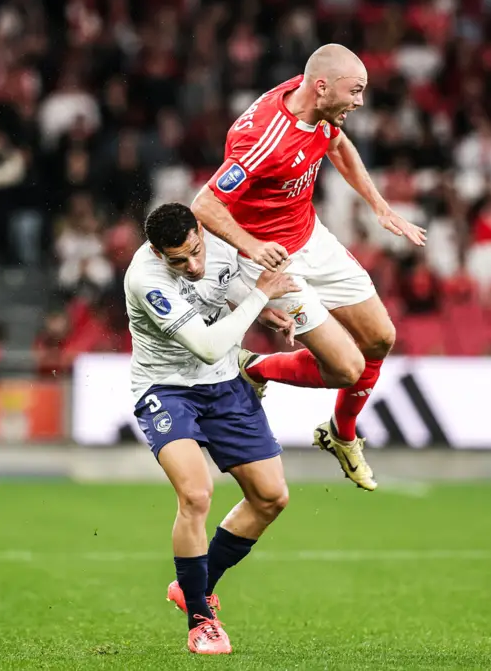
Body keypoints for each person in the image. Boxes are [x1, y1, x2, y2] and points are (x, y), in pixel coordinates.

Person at [192, 44, 427, 491]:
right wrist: (251, 246)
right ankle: (254, 369)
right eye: (354, 91)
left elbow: (336, 144)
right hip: (275, 263)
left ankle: (342, 435)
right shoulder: (263, 140)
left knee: (381, 337)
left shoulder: (316, 107)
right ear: (322, 87)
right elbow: (204, 204)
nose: (360, 101)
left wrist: (379, 206)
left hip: (311, 237)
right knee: (346, 369)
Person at [125, 202, 300, 655]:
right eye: (178, 260)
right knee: (197, 494)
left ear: (201, 231)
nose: (193, 265)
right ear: (156, 252)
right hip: (167, 388)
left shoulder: (220, 242)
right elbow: (205, 346)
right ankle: (201, 622)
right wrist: (260, 297)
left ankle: (194, 589)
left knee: (271, 497)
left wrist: (257, 307)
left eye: (195, 251)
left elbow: (223, 284)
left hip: (223, 385)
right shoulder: (146, 279)